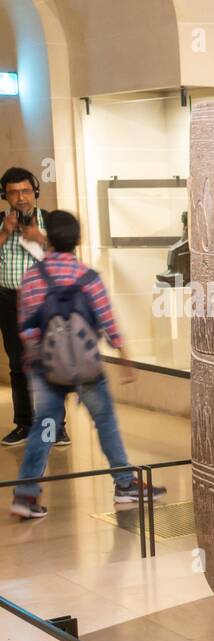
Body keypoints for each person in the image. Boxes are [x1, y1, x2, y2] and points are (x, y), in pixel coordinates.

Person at [9, 210, 164, 519]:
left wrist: (38, 355)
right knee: (104, 421)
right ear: (77, 240)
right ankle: (124, 485)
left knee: (46, 428)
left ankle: (25, 495)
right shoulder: (88, 277)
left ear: (49, 239)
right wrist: (125, 359)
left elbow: (26, 328)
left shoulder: (32, 278)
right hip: (86, 369)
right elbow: (108, 323)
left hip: (45, 368)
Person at [0, 167, 69, 447]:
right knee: (17, 364)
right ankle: (25, 424)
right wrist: (5, 233)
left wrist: (40, 239)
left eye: (26, 190)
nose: (21, 197)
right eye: (14, 192)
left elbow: (67, 262)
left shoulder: (52, 221)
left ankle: (56, 427)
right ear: (5, 196)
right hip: (8, 300)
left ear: (35, 192)